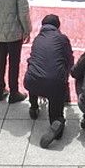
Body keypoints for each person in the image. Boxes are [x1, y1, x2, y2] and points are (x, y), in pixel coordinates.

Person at [24, 14, 74, 148]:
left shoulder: (37, 39)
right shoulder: (62, 39)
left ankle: (34, 108)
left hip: (31, 81)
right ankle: (56, 122)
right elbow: (70, 61)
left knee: (35, 75)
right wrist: (65, 77)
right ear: (58, 26)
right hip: (54, 83)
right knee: (55, 97)